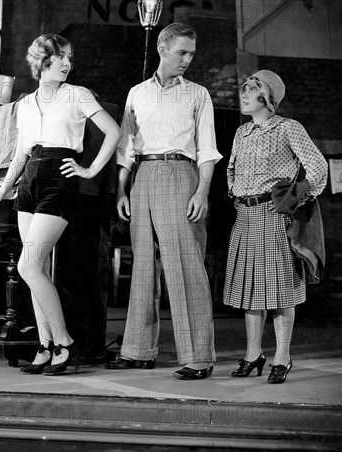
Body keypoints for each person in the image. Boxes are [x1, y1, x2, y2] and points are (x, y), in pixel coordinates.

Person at [0, 33, 121, 376]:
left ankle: (65, 342)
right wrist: (2, 191)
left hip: (59, 182)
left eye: (70, 58)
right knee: (36, 271)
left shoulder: (78, 95)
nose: (68, 64)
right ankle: (45, 347)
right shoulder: (25, 104)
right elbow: (20, 153)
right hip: (30, 180)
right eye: (63, 58)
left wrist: (88, 170)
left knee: (28, 266)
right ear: (44, 60)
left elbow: (114, 132)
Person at [104, 23, 220, 380]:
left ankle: (197, 357)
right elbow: (126, 147)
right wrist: (122, 189)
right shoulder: (137, 93)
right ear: (162, 49)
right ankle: (139, 351)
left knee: (185, 264)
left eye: (191, 54)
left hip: (181, 173)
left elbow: (207, 150)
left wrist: (201, 192)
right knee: (142, 267)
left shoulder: (197, 94)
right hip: (143, 177)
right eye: (181, 52)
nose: (187, 59)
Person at [224, 70, 327, 384]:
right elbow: (231, 168)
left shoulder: (289, 128)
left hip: (273, 217)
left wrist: (294, 199)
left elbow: (318, 167)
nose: (242, 95)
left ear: (267, 97)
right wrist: (236, 194)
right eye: (242, 89)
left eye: (250, 90)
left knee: (281, 292)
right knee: (249, 291)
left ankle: (282, 357)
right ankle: (253, 355)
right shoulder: (241, 132)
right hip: (245, 217)